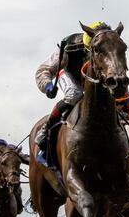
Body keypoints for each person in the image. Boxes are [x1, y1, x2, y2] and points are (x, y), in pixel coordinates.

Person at [33, 21, 108, 151]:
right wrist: (47, 86)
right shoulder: (70, 45)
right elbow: (43, 70)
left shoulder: (109, 47)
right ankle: (46, 128)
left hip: (91, 81)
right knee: (75, 93)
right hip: (69, 74)